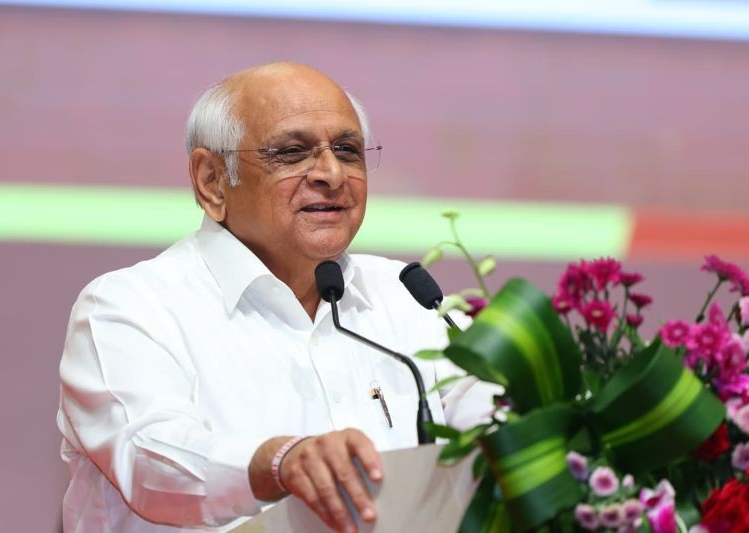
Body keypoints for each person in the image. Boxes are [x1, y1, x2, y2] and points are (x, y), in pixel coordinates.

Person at [57, 62, 496, 533]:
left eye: (347, 151)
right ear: (212, 181)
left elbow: (494, 415)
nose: (332, 174)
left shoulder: (407, 296)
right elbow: (149, 457)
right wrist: (279, 463)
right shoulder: (129, 307)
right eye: (292, 153)